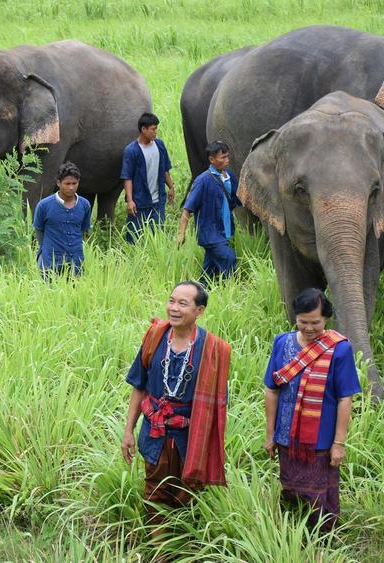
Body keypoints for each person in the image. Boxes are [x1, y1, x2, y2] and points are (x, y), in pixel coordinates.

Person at [122, 282, 230, 534]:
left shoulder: (213, 348)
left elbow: (214, 404)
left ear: (199, 311)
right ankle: (160, 549)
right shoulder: (154, 337)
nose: (174, 308)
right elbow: (139, 386)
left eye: (183, 303)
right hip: (154, 433)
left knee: (188, 495)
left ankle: (185, 544)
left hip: (190, 438)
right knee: (154, 492)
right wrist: (128, 430)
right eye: (171, 301)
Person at [263, 288, 361, 533]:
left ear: (325, 319)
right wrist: (270, 433)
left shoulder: (339, 349)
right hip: (287, 436)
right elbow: (271, 390)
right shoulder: (282, 342)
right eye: (302, 322)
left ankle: (321, 540)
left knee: (319, 495)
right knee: (290, 487)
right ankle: (291, 536)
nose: (308, 328)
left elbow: (344, 398)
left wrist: (339, 443)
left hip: (320, 440)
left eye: (315, 322)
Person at [178, 141, 241, 280]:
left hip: (224, 229)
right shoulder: (203, 181)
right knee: (228, 258)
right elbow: (187, 209)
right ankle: (230, 289)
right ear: (211, 159)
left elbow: (239, 196)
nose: (227, 160)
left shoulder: (228, 175)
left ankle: (203, 287)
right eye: (222, 158)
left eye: (227, 156)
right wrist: (181, 234)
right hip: (210, 232)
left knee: (210, 269)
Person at [121, 112, 175, 243]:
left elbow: (164, 169)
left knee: (157, 236)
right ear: (143, 129)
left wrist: (171, 187)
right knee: (134, 237)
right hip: (139, 202)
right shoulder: (131, 151)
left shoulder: (160, 145)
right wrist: (130, 200)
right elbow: (127, 177)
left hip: (158, 201)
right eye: (153, 129)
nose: (155, 132)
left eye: (156, 128)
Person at [33, 162, 92, 277]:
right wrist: (46, 248)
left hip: (75, 260)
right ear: (58, 183)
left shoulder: (85, 205)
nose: (71, 187)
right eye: (67, 183)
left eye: (74, 183)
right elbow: (38, 230)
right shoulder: (44, 205)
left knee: (75, 292)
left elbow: (83, 230)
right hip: (50, 261)